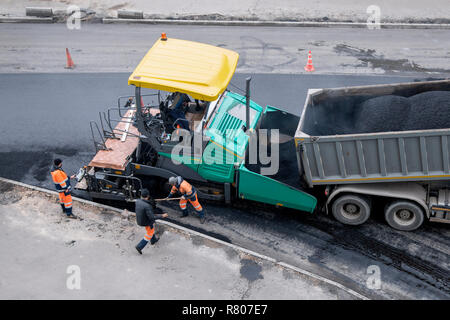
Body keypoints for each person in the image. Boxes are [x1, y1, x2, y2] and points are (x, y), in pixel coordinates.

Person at [135, 188, 168, 255]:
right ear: (147, 196)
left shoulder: (137, 201)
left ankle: (153, 240)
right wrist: (162, 216)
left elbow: (144, 208)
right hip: (146, 222)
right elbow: (152, 217)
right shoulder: (147, 206)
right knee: (149, 233)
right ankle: (139, 246)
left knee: (151, 230)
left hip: (140, 219)